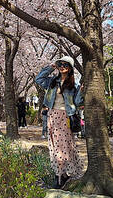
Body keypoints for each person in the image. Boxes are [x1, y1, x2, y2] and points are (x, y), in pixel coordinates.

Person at [36, 55, 84, 189]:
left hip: (65, 117)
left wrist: (80, 92)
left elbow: (78, 102)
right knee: (54, 145)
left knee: (63, 146)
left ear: (70, 68)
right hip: (52, 116)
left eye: (65, 65)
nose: (62, 67)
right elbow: (38, 79)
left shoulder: (73, 84)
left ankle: (61, 176)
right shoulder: (52, 81)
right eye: (60, 64)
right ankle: (60, 175)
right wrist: (49, 69)